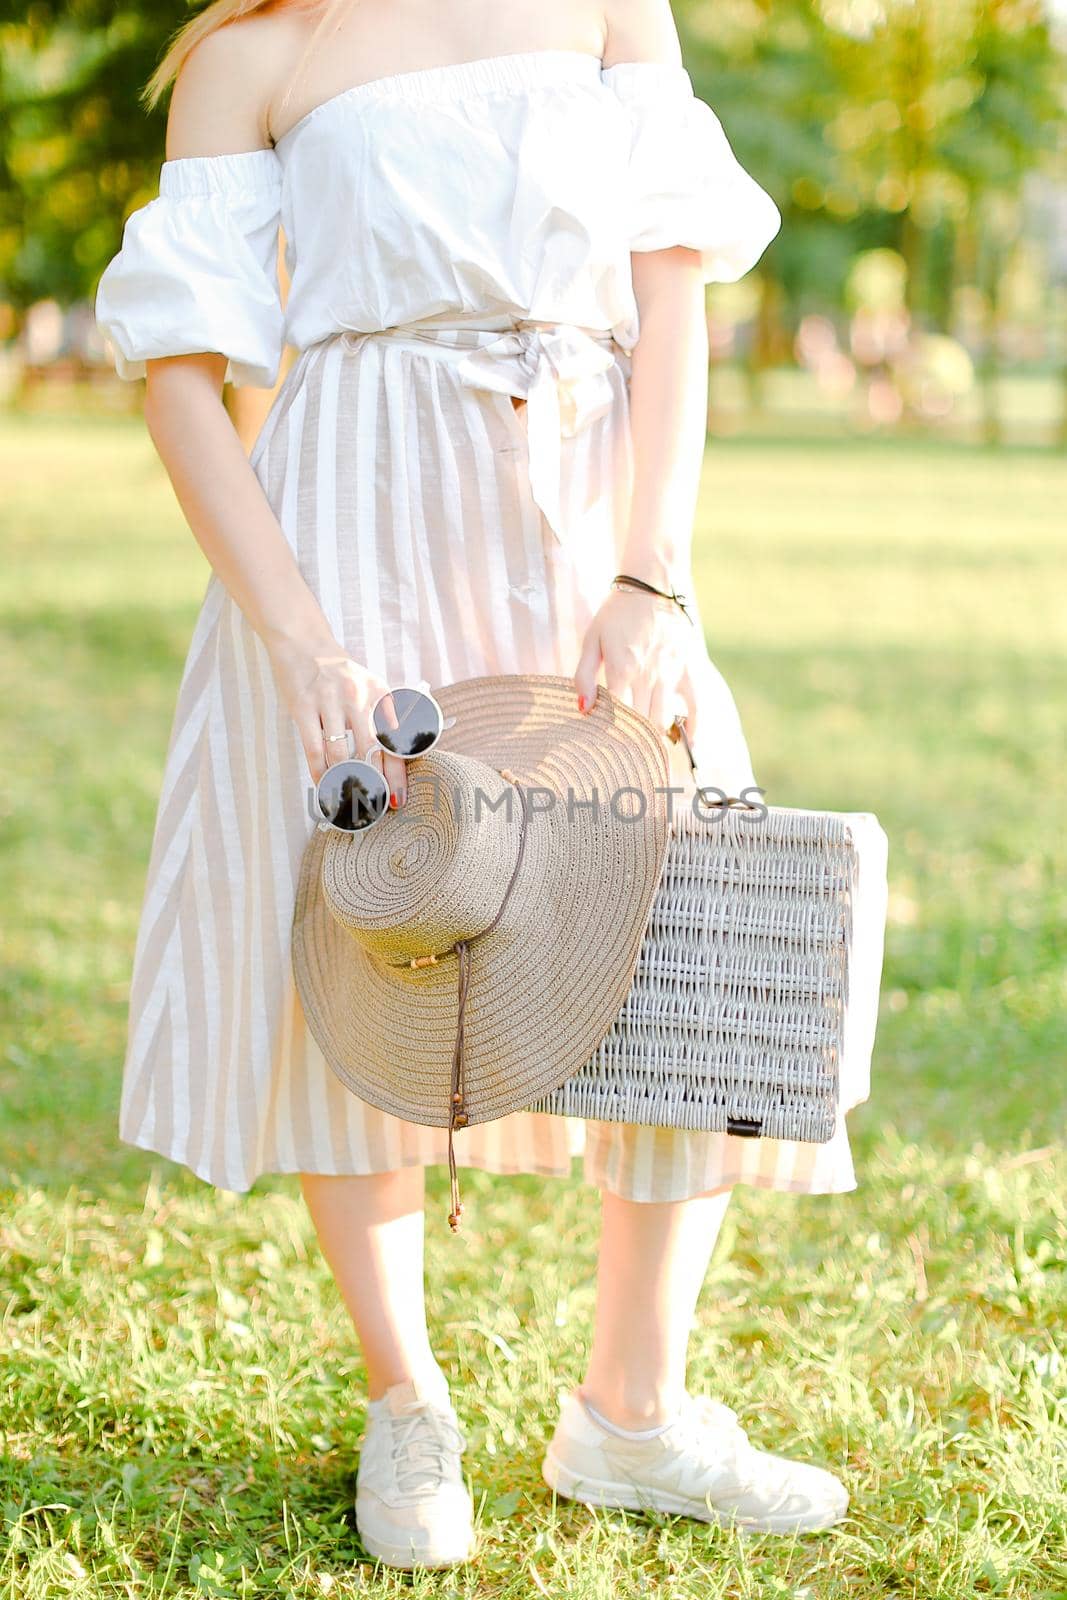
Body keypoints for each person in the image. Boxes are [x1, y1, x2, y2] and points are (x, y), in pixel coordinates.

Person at [94, 0, 860, 1570]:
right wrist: (300, 640)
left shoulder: (606, 6)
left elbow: (671, 289)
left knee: (679, 927)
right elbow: (179, 375)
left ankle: (632, 1415)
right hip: (345, 533)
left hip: (583, 514)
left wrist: (654, 574)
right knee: (372, 934)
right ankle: (407, 1401)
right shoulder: (261, 50)